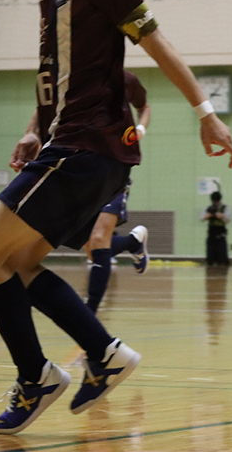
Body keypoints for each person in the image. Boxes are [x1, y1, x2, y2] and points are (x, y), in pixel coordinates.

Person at [0, 0, 232, 435]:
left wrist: (207, 114)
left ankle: (38, 375)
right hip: (73, 143)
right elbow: (60, 70)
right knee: (17, 262)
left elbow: (157, 41)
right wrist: (35, 125)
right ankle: (104, 353)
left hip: (85, 147)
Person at [84, 70, 151, 313]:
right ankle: (133, 242)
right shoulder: (76, 78)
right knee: (91, 247)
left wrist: (140, 129)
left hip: (114, 168)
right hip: (81, 170)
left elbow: (144, 107)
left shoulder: (126, 80)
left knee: (98, 239)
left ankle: (89, 314)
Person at [201, 191, 231, 266]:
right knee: (210, 250)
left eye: (216, 201)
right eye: (214, 201)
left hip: (221, 232)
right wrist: (208, 216)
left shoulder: (225, 208)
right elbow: (202, 218)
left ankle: (222, 262)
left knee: (221, 250)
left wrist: (221, 216)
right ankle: (211, 261)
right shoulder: (208, 208)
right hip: (211, 232)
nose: (215, 202)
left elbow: (228, 220)